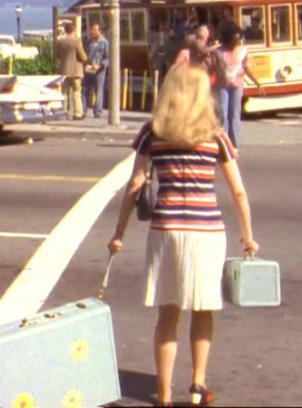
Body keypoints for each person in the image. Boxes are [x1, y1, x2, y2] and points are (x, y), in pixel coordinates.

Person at [106, 63, 260, 407]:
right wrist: (248, 236)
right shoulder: (216, 134)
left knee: (168, 315)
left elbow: (135, 184)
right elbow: (238, 191)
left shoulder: (153, 132)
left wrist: (119, 232)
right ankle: (196, 386)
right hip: (207, 232)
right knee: (203, 310)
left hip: (167, 230)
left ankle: (163, 397)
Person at [212, 27, 264, 149]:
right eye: (235, 39)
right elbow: (212, 68)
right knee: (223, 114)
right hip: (222, 85)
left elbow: (246, 68)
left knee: (235, 114)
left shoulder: (243, 51)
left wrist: (258, 83)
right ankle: (223, 143)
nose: (238, 42)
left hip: (237, 85)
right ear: (228, 39)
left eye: (239, 39)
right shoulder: (218, 52)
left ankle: (234, 144)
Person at [55, 22, 88, 120]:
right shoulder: (77, 41)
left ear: (65, 30)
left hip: (64, 70)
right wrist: (86, 59)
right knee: (76, 92)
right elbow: (82, 56)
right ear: (74, 30)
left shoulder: (61, 41)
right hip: (76, 70)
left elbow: (57, 55)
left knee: (64, 92)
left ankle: (63, 111)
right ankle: (77, 113)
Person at [83, 23, 110, 118]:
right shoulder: (88, 42)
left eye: (94, 30)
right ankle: (83, 110)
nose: (92, 32)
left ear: (99, 31)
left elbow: (108, 58)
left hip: (99, 70)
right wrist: (87, 63)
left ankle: (97, 111)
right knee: (85, 89)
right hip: (89, 69)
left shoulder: (105, 43)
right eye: (91, 30)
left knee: (98, 90)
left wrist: (100, 65)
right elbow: (85, 55)